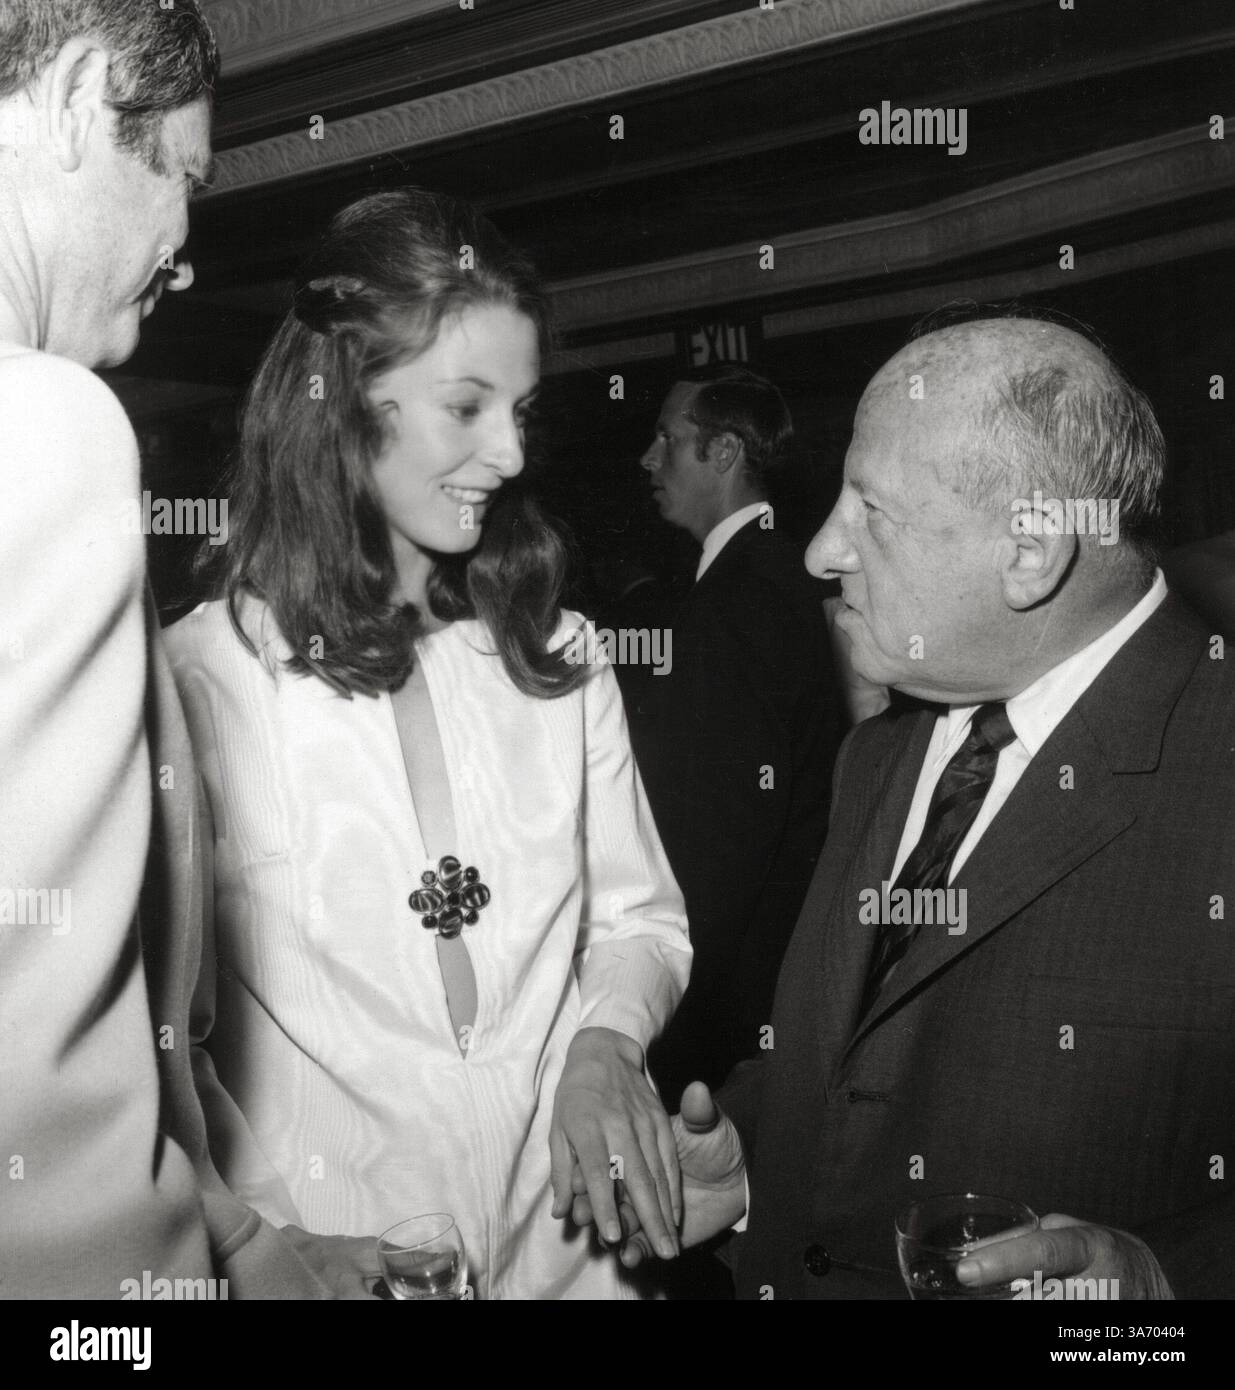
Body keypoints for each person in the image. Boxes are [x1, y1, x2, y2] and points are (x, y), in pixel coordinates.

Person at [610, 310, 1235, 1299]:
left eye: (868, 510)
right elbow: (870, 1051)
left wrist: (1155, 1281)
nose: (820, 550)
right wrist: (746, 1165)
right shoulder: (884, 749)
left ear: (1029, 551)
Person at [165, 189, 693, 1300]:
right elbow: (171, 1045)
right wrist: (264, 1245)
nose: (507, 453)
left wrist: (607, 1045)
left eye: (520, 408)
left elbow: (637, 920)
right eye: (465, 406)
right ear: (343, 405)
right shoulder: (189, 684)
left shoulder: (562, 655)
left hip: (571, 1270)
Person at [0, 0, 366, 1298]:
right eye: (188, 183)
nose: (188, 257)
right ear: (74, 102)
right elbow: (42, 1086)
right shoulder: (43, 429)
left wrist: (240, 1232)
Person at [632, 366, 845, 1110]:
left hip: (733, 987)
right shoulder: (770, 575)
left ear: (723, 454)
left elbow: (722, 840)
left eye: (667, 439)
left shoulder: (739, 597)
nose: (648, 458)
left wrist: (669, 1001)